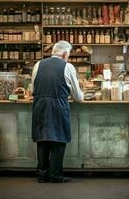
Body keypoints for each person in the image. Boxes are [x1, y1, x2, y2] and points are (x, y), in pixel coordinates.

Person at [31, 40, 83, 183]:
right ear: (65, 54)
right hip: (58, 106)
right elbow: (78, 97)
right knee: (58, 140)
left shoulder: (38, 64)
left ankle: (42, 175)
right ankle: (55, 175)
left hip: (40, 105)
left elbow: (32, 90)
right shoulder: (68, 66)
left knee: (42, 139)